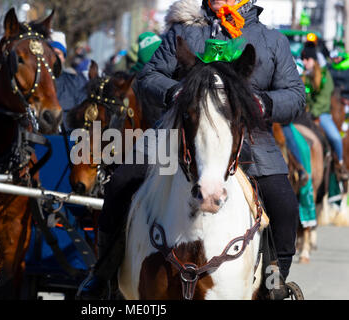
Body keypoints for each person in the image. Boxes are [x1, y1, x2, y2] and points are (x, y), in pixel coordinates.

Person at [77, 0, 305, 300]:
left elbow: (295, 95)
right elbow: (149, 77)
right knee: (121, 183)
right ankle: (103, 272)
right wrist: (175, 92)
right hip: (178, 133)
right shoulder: (183, 33)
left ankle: (275, 277)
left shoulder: (272, 40)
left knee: (284, 203)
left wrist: (261, 103)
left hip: (250, 139)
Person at [301, 43, 349, 179]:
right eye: (303, 59)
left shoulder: (325, 76)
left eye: (307, 59)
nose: (304, 62)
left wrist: (312, 112)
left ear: (314, 60)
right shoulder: (304, 77)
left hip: (322, 115)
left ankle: (340, 163)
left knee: (336, 137)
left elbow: (324, 99)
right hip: (306, 115)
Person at [50, 31, 89, 129]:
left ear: (63, 58)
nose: (54, 58)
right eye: (50, 54)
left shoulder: (76, 82)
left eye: (58, 54)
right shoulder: (34, 83)